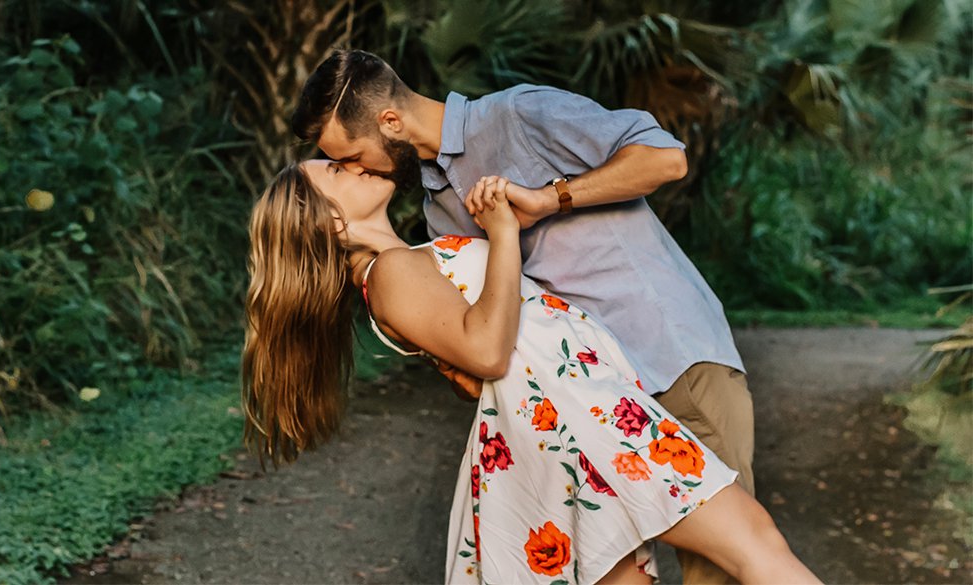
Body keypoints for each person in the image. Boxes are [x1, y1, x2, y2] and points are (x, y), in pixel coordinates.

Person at [291, 49, 753, 584]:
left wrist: (549, 198)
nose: (355, 170)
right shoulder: (439, 210)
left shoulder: (518, 115)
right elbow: (493, 331)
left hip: (668, 359)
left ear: (389, 122)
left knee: (721, 568)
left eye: (350, 156)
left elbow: (664, 158)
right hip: (592, 404)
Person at [241, 161, 818, 584]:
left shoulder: (408, 263)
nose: (358, 165)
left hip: (572, 419)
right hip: (583, 422)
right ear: (333, 225)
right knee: (755, 545)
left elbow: (474, 355)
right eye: (337, 170)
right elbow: (489, 351)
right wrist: (502, 231)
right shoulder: (389, 273)